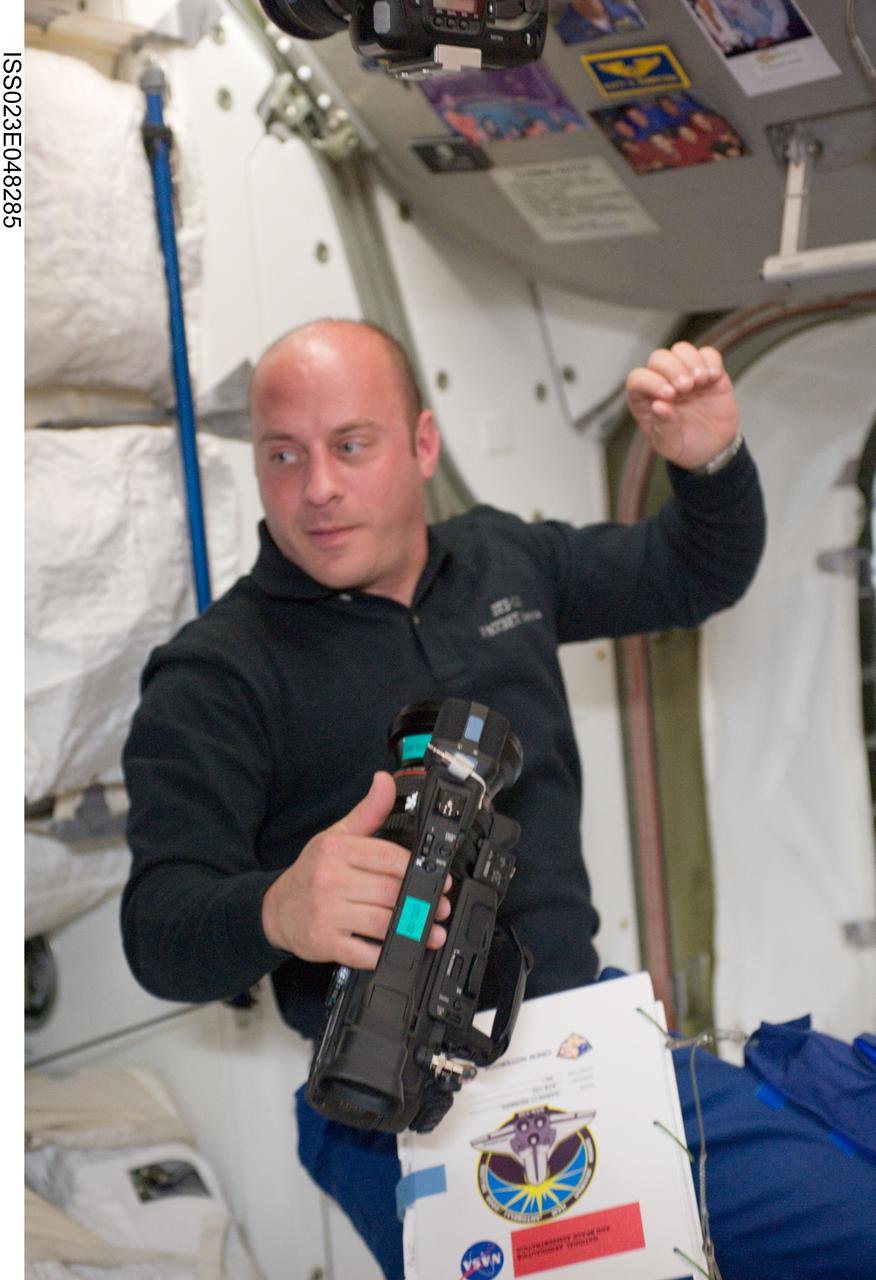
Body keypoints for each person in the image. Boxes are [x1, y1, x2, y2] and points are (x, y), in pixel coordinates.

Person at [122, 319, 770, 1274]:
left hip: (584, 1036)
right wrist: (278, 907)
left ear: (424, 445)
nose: (318, 489)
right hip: (393, 1093)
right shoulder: (215, 675)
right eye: (283, 456)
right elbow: (158, 930)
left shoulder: (503, 561)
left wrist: (711, 460)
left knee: (849, 1221)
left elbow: (693, 570)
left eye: (350, 445)